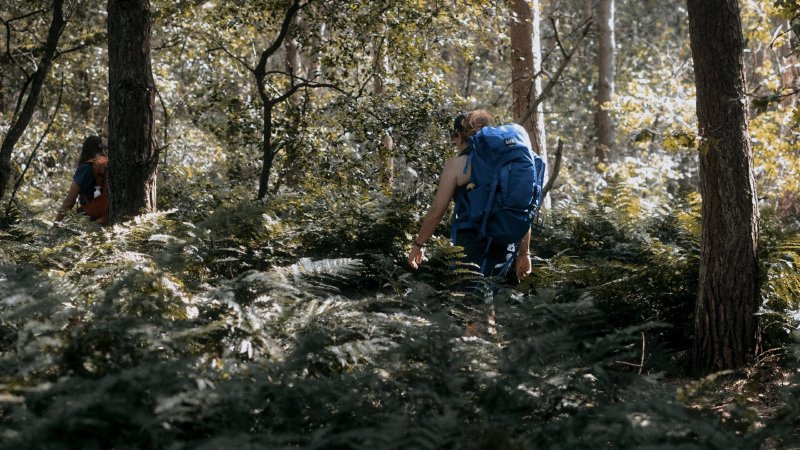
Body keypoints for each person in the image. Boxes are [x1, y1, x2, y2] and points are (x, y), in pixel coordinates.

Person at [407, 110, 532, 280]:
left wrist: (418, 244)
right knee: (490, 299)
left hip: (472, 242)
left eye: (454, 136)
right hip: (506, 240)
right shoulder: (505, 162)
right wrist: (525, 253)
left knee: (469, 301)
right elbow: (520, 204)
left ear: (458, 135)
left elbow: (437, 211)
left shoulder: (457, 165)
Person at [54, 135, 106, 223]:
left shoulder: (84, 168)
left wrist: (56, 224)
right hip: (108, 216)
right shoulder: (109, 165)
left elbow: (69, 202)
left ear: (85, 150)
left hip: (90, 218)